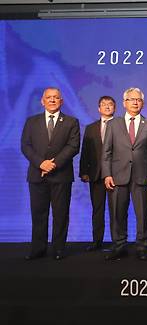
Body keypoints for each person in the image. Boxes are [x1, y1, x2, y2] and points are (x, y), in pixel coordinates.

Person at [21, 87, 80, 260]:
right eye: (49, 97)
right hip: (36, 175)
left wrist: (53, 164)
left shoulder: (71, 122)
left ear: (61, 101)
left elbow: (73, 146)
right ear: (42, 101)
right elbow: (25, 146)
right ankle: (38, 249)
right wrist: (41, 163)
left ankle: (58, 249)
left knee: (61, 214)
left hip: (61, 176)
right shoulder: (31, 121)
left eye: (56, 97)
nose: (52, 100)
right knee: (38, 213)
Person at [102, 87, 147, 261]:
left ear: (142, 103)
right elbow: (106, 152)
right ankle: (118, 246)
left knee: (142, 214)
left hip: (142, 176)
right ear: (124, 103)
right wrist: (107, 174)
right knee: (117, 214)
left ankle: (142, 246)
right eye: (132, 99)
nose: (135, 102)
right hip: (117, 176)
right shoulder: (113, 124)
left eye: (138, 100)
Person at [79, 96, 115, 252]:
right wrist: (83, 171)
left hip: (115, 175)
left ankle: (117, 242)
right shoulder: (91, 128)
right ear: (99, 109)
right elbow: (85, 151)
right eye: (104, 104)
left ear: (115, 108)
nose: (107, 107)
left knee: (116, 211)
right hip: (95, 175)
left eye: (110, 104)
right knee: (97, 209)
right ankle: (97, 241)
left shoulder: (121, 125)